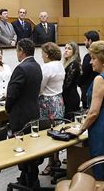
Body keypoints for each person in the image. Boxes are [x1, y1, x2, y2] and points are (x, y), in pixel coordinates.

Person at [66, 41, 104, 180]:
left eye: (93, 58)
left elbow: (94, 112)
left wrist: (79, 130)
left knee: (100, 166)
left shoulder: (100, 79)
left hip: (102, 126)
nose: (91, 62)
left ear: (103, 60)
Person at [5, 38, 42, 188]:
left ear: (21, 51)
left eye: (17, 50)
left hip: (21, 114)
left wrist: (8, 108)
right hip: (33, 110)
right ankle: (29, 177)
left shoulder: (21, 68)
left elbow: (12, 93)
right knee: (31, 146)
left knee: (22, 147)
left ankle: (29, 179)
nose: (17, 54)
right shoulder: (37, 66)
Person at [39, 42, 65, 175]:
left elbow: (40, 87)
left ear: (48, 54)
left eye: (43, 53)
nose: (41, 55)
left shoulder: (47, 67)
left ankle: (51, 162)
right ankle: (56, 159)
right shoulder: (60, 65)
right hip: (58, 100)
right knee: (57, 130)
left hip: (47, 101)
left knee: (48, 133)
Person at [78, 30, 99, 108]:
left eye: (85, 40)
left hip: (88, 89)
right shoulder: (101, 54)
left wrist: (79, 82)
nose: (84, 42)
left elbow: (84, 73)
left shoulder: (88, 56)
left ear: (90, 41)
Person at [61, 41, 81, 120]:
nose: (66, 50)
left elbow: (67, 83)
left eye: (69, 49)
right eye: (65, 48)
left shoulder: (74, 64)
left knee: (69, 121)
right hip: (67, 96)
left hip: (71, 97)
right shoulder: (67, 63)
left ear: (74, 51)